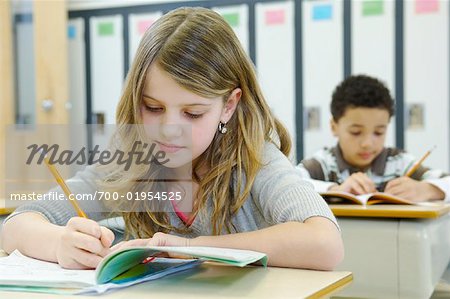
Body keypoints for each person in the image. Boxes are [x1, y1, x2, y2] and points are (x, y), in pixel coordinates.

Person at [1, 7, 343, 271]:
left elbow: (325, 244)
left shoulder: (256, 159)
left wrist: (191, 247)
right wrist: (61, 243)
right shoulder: (132, 160)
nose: (169, 129)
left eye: (192, 113)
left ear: (228, 105)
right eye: (153, 108)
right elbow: (15, 227)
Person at [297, 74, 450, 202]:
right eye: (356, 132)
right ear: (334, 126)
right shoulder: (322, 164)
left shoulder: (399, 163)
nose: (367, 144)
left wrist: (428, 190)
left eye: (378, 132)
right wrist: (335, 190)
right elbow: (286, 183)